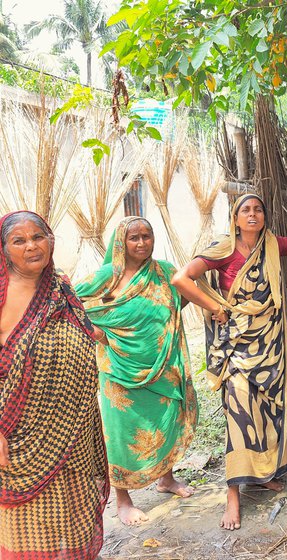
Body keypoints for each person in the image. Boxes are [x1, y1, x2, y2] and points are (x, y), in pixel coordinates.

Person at [172, 190, 287, 531]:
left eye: (258, 209)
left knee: (270, 411)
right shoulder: (223, 250)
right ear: (236, 218)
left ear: (264, 216)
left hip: (270, 343)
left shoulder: (273, 246)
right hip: (237, 347)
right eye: (246, 210)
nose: (253, 214)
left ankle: (264, 475)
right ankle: (233, 494)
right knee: (239, 416)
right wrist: (214, 307)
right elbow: (181, 279)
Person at [75, 217, 198, 526]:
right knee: (120, 434)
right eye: (134, 238)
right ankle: (123, 499)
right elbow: (72, 305)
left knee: (164, 423)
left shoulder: (166, 272)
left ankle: (166, 479)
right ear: (122, 242)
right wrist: (102, 333)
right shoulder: (107, 276)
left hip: (163, 365)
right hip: (119, 371)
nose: (142, 243)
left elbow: (178, 300)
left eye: (147, 236)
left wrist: (160, 327)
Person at [0, 211, 109, 559]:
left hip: (76, 428)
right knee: (29, 527)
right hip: (22, 437)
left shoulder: (59, 286)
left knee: (75, 513)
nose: (32, 246)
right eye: (19, 240)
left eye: (39, 237)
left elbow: (82, 325)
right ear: (4, 250)